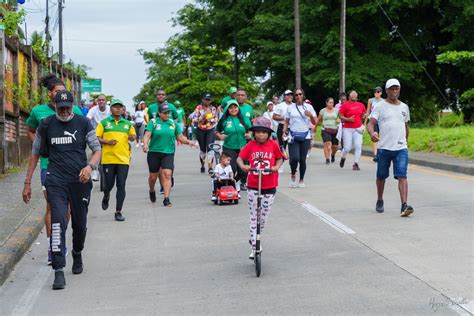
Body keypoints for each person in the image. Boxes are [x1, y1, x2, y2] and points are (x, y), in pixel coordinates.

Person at [22, 90, 101, 290]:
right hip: (55, 180)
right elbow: (35, 154)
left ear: (72, 105)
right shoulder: (46, 125)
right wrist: (27, 182)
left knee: (80, 225)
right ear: (55, 106)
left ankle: (77, 253)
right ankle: (58, 269)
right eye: (61, 107)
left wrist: (89, 167)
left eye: (67, 107)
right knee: (57, 222)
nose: (64, 111)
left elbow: (97, 149)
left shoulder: (83, 123)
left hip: (80, 180)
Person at [25, 74, 84, 265]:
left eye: (63, 91)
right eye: (57, 91)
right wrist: (41, 147)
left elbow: (83, 132)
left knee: (65, 208)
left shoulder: (75, 111)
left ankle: (61, 242)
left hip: (72, 168)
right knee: (51, 206)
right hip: (48, 167)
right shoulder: (38, 112)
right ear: (50, 93)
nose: (61, 94)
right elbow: (30, 130)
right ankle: (54, 246)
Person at [237, 117, 283, 259]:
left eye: (264, 132)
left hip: (269, 185)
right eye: (258, 132)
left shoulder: (273, 145)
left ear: (269, 133)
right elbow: (239, 158)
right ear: (254, 133)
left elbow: (279, 158)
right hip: (253, 185)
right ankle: (255, 246)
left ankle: (254, 238)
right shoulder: (250, 145)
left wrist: (275, 167)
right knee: (253, 217)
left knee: (262, 218)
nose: (261, 135)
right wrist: (243, 166)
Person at [368, 78, 414, 217]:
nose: (394, 91)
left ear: (399, 90)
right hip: (384, 148)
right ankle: (380, 199)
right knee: (381, 176)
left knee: (402, 175)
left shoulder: (404, 107)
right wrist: (372, 133)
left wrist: (405, 142)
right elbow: (371, 123)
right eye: (392, 88)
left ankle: (404, 205)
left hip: (401, 148)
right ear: (386, 90)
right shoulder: (380, 106)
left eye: (397, 88)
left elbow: (405, 126)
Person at [143, 103, 196, 207]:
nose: (167, 115)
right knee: (153, 177)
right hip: (154, 152)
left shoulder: (173, 123)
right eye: (165, 113)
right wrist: (145, 144)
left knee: (167, 174)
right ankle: (152, 190)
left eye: (168, 113)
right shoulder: (153, 122)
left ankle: (166, 199)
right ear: (159, 113)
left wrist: (189, 142)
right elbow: (147, 134)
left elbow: (180, 137)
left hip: (168, 153)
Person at [96, 99, 136, 222]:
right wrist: (107, 142)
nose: (118, 109)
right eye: (115, 107)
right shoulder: (104, 123)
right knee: (109, 185)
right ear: (111, 109)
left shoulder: (127, 124)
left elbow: (133, 137)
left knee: (121, 185)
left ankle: (118, 211)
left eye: (120, 107)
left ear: (123, 109)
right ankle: (106, 195)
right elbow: (96, 137)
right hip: (108, 159)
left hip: (123, 159)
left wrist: (132, 137)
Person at [282, 88, 317, 188]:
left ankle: (301, 179)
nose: (298, 96)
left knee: (302, 159)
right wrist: (284, 132)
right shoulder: (290, 108)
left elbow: (314, 122)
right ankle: (293, 174)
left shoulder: (309, 107)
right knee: (294, 158)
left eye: (300, 94)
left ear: (303, 95)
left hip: (305, 135)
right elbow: (286, 122)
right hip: (293, 136)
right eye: (296, 95)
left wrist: (310, 116)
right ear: (294, 96)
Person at [215, 100, 251, 194]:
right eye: (231, 107)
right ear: (228, 109)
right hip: (229, 147)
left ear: (238, 108)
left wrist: (249, 134)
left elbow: (250, 130)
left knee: (243, 170)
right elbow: (216, 131)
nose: (233, 109)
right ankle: (231, 183)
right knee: (232, 168)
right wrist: (220, 136)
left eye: (235, 107)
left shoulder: (244, 119)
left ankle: (236, 182)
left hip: (243, 148)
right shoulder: (224, 120)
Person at [339, 90, 366, 171]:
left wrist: (364, 116)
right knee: (347, 148)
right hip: (347, 129)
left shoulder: (361, 105)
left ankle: (356, 163)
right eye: (352, 94)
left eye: (355, 94)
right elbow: (340, 116)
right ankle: (343, 157)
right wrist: (348, 119)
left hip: (358, 128)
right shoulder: (345, 105)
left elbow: (363, 114)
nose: (354, 95)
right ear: (349, 96)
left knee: (358, 145)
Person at [192, 93, 218, 174]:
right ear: (202, 100)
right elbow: (194, 119)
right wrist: (202, 117)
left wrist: (211, 120)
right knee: (203, 150)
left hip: (210, 130)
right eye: (206, 99)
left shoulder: (213, 108)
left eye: (209, 99)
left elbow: (215, 119)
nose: (207, 101)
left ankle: (210, 167)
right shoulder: (198, 108)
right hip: (200, 130)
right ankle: (202, 165)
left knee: (210, 148)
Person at [273, 90, 294, 172]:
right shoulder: (280, 106)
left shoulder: (295, 106)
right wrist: (284, 118)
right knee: (282, 147)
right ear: (284, 97)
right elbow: (274, 116)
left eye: (291, 95)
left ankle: (293, 166)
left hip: (292, 127)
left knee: (292, 147)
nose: (290, 96)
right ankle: (280, 165)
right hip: (282, 127)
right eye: (288, 95)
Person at [317, 97, 340, 164]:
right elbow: (319, 120)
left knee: (335, 146)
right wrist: (315, 127)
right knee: (328, 144)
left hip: (335, 130)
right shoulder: (322, 111)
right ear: (326, 103)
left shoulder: (336, 110)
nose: (331, 104)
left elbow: (341, 118)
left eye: (332, 102)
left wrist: (339, 120)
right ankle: (327, 159)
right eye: (330, 102)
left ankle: (333, 155)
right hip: (325, 129)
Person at [365, 86, 384, 162]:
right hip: (373, 121)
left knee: (381, 138)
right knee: (375, 136)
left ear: (381, 93)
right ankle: (375, 155)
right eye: (375, 92)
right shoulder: (370, 100)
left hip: (381, 121)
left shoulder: (384, 101)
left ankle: (380, 153)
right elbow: (368, 112)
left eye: (378, 92)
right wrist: (365, 123)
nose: (376, 93)